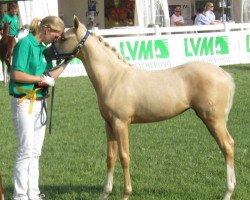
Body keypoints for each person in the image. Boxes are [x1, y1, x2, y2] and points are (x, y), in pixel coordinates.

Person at [9, 16, 70, 200]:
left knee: (35, 152)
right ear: (46, 29)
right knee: (25, 150)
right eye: (56, 35)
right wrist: (41, 80)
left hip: (39, 102)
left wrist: (67, 61)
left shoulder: (44, 50)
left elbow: (49, 74)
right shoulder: (25, 44)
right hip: (24, 101)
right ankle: (20, 195)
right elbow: (16, 74)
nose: (56, 40)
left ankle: (33, 194)